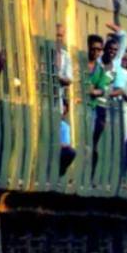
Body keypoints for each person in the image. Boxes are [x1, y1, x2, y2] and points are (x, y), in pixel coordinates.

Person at [87, 23, 126, 178]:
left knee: (95, 142)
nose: (112, 52)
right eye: (109, 49)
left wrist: (104, 91)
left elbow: (115, 88)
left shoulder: (114, 68)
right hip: (94, 105)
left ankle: (92, 173)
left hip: (102, 107)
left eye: (115, 50)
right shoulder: (99, 65)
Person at [55, 23, 76, 172]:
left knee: (64, 127)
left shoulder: (65, 56)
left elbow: (69, 79)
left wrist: (56, 78)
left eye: (61, 36)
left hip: (58, 100)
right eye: (57, 35)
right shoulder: (41, 53)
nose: (59, 38)